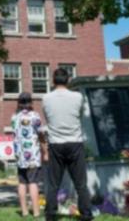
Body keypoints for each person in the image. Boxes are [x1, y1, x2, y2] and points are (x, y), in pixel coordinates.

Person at [42, 68, 92, 221]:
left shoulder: (46, 98)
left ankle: (50, 215)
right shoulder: (77, 97)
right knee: (81, 184)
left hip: (56, 144)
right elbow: (81, 115)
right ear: (68, 80)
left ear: (53, 80)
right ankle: (86, 215)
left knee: (53, 184)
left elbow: (48, 119)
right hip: (75, 143)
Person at [11, 92, 46, 218]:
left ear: (19, 103)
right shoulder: (35, 116)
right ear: (31, 102)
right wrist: (45, 151)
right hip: (32, 155)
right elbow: (41, 134)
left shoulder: (14, 117)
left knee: (21, 182)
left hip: (20, 155)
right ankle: (36, 212)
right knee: (33, 182)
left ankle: (24, 212)